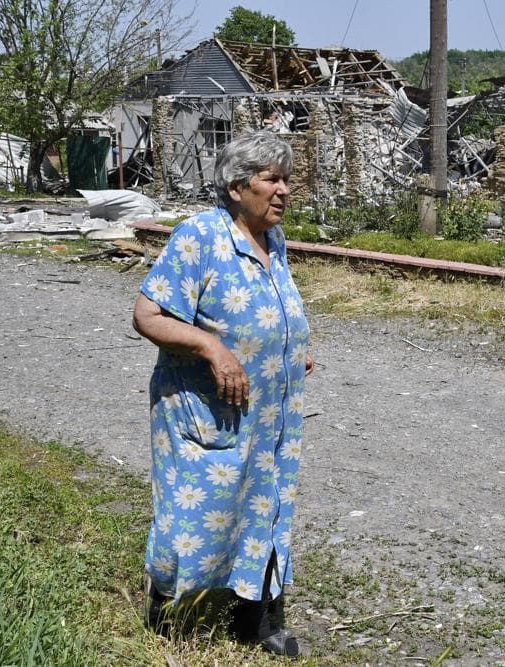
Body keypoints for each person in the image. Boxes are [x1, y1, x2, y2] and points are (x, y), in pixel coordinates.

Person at [132, 130, 313, 656]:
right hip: (206, 410)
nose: (283, 191)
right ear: (237, 187)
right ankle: (167, 614)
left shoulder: (270, 238)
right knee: (195, 511)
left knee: (268, 504)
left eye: (286, 180)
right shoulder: (199, 237)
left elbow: (269, 307)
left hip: (270, 411)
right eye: (271, 179)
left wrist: (292, 345)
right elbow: (149, 315)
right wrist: (212, 348)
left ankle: (255, 619)